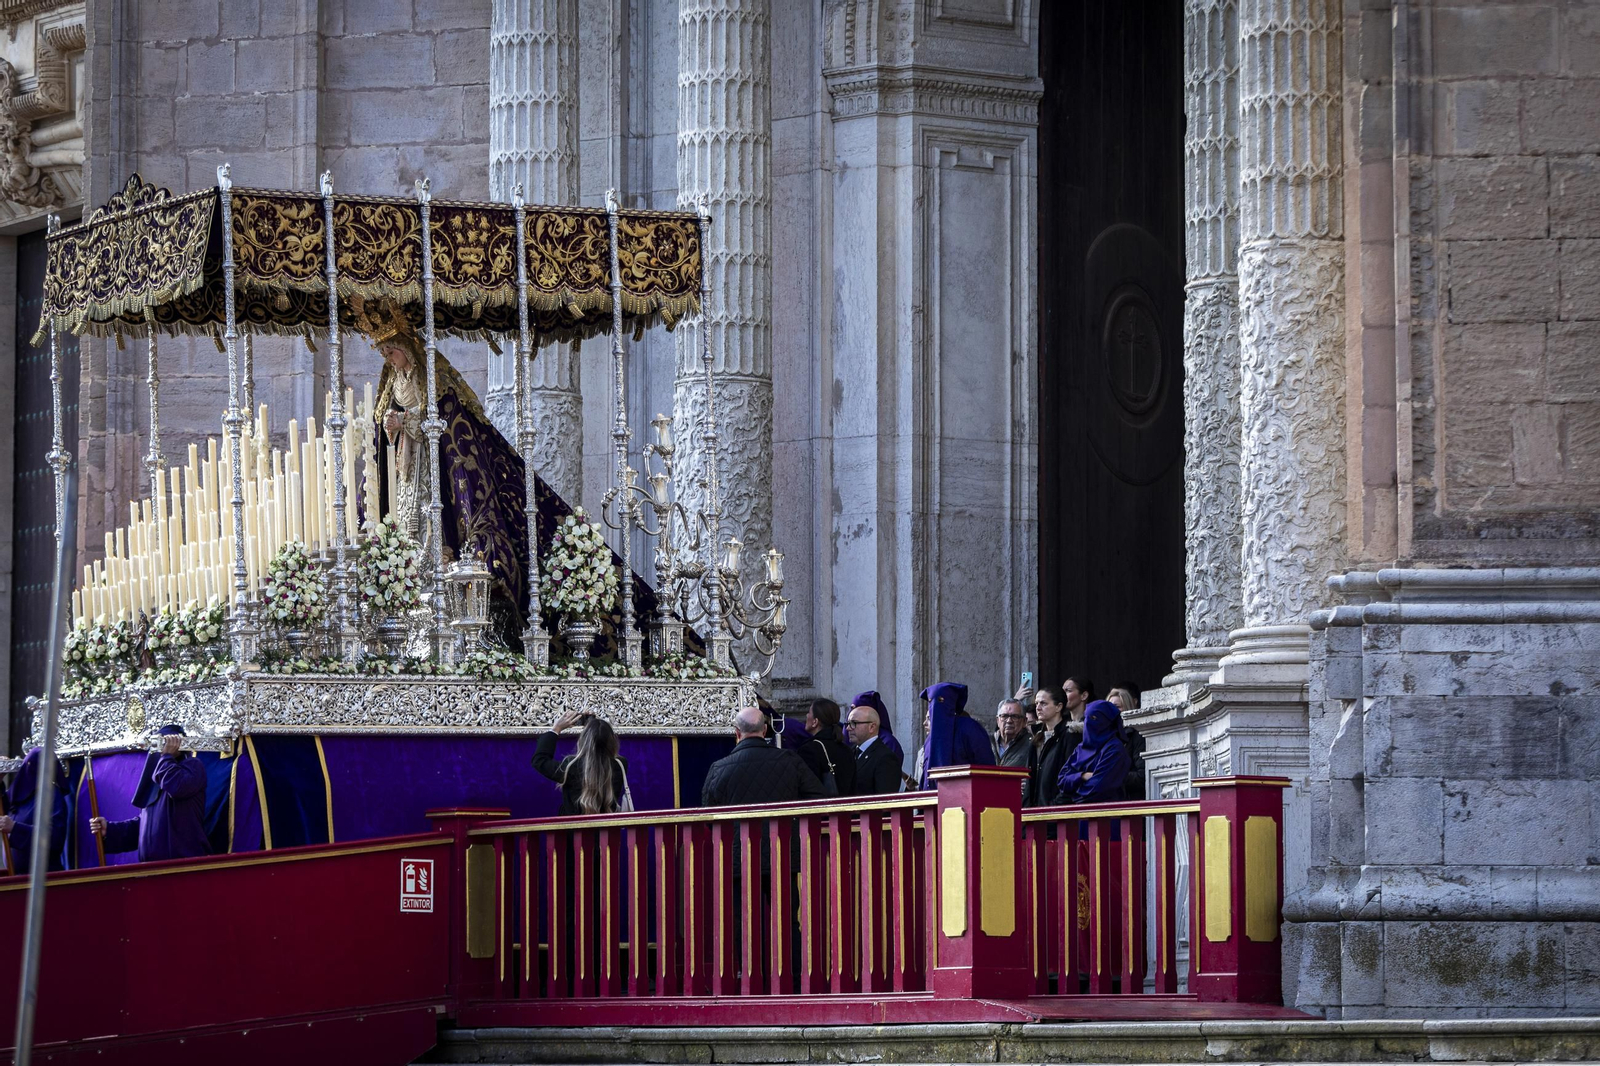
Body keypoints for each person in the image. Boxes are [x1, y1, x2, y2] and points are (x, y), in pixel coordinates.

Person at [89, 725, 210, 864]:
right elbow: (144, 828)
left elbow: (176, 787)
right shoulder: (157, 779)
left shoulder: (193, 767)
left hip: (183, 868)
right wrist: (110, 831)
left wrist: (167, 756)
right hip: (152, 870)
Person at [701, 707, 827, 806]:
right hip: (783, 837)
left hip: (738, 838)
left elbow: (709, 814)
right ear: (765, 729)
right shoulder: (791, 760)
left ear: (737, 733)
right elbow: (818, 798)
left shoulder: (718, 768)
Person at [533, 711, 630, 815]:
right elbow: (599, 741)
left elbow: (540, 760)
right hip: (605, 829)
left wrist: (556, 729)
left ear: (583, 740)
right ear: (612, 741)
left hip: (574, 829)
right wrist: (594, 725)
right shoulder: (620, 765)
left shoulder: (571, 766)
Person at [917, 682, 997, 787]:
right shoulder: (930, 739)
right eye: (931, 702)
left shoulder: (970, 728)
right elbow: (925, 776)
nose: (936, 707)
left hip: (966, 796)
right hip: (933, 798)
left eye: (941, 700)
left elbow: (986, 765)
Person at [2, 747, 67, 874]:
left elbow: (54, 838)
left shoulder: (52, 796)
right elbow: (4, 808)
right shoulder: (19, 794)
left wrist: (15, 828)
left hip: (43, 878)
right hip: (16, 877)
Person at [1056, 699, 1132, 804]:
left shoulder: (1114, 749)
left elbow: (1098, 787)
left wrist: (1073, 790)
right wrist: (1082, 776)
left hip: (1105, 815)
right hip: (1078, 815)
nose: (1088, 722)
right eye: (1086, 717)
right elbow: (1061, 780)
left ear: (1107, 722)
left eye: (1094, 718)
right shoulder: (1081, 748)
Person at [783, 698, 856, 797]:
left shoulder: (809, 750)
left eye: (809, 712)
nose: (806, 716)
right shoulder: (847, 749)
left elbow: (805, 787)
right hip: (845, 809)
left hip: (822, 809)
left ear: (815, 722)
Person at [1029, 685, 1075, 807]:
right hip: (1034, 811)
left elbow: (1071, 776)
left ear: (1058, 707)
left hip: (1055, 813)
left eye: (1043, 703)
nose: (1038, 708)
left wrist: (1054, 805)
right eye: (1036, 703)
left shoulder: (1070, 735)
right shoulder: (1036, 736)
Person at [845, 705, 903, 795]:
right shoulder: (849, 752)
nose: (848, 728)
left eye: (854, 723)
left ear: (872, 727)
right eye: (848, 724)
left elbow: (885, 799)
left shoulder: (885, 757)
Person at [994, 698, 1035, 772]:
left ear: (1024, 721)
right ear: (997, 720)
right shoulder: (986, 742)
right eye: (1004, 716)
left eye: (1015, 716)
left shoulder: (1032, 744)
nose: (1009, 721)